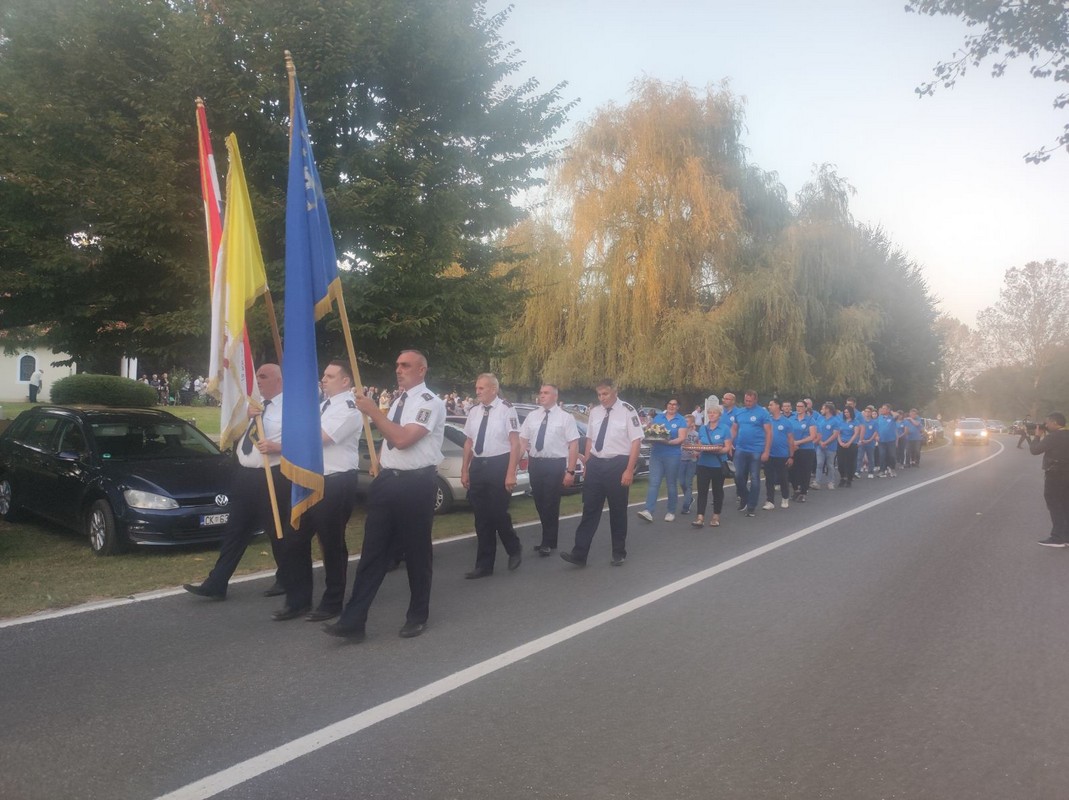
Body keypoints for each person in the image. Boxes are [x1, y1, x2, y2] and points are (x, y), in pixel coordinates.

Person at [325, 350, 446, 640]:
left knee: (417, 553)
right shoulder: (398, 400)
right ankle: (354, 620)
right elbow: (389, 438)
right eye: (397, 365)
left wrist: (373, 411)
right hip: (388, 483)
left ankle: (418, 614)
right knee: (372, 553)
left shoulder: (430, 403)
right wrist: (379, 461)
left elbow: (403, 439)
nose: (399, 369)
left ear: (422, 370)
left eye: (405, 365)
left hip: (416, 485)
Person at [184, 363, 290, 601]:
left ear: (279, 380)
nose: (258, 381)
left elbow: (304, 444)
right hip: (245, 476)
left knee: (276, 530)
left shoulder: (290, 408)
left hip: (271, 476)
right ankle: (217, 582)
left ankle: (287, 577)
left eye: (263, 377)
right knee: (235, 530)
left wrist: (277, 447)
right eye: (257, 376)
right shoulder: (255, 406)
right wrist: (247, 418)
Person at [274, 360, 362, 622]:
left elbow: (319, 438)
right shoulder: (323, 405)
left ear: (345, 381)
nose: (323, 379)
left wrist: (282, 442)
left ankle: (333, 601)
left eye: (330, 376)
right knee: (294, 540)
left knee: (331, 543)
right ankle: (298, 600)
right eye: (324, 375)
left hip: (335, 482)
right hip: (311, 479)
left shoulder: (349, 408)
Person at [560, 379, 643, 567]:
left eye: (605, 394)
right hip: (596, 464)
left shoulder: (628, 411)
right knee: (589, 509)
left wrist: (629, 470)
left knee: (618, 510)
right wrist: (588, 463)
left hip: (618, 463)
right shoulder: (596, 412)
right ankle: (579, 554)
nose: (602, 398)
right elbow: (590, 439)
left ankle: (618, 552)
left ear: (615, 391)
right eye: (599, 394)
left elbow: (636, 442)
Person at [460, 373, 523, 578]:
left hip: (499, 464)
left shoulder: (506, 409)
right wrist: (465, 470)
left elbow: (515, 442)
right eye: (476, 388)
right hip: (479, 465)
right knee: (481, 517)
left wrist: (510, 472)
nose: (477, 392)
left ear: (493, 389)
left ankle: (513, 548)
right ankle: (484, 565)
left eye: (481, 388)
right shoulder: (474, 411)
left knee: (498, 513)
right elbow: (469, 442)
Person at [519, 383, 579, 556]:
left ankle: (547, 541)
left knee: (550, 502)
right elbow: (523, 441)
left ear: (555, 396)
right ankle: (549, 539)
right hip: (536, 463)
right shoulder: (532, 416)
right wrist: (514, 462)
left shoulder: (565, 418)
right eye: (541, 392)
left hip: (555, 464)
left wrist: (570, 471)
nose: (542, 395)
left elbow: (573, 444)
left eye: (546, 393)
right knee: (539, 501)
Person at [638, 398, 688, 523]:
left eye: (675, 404)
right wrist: (649, 438)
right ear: (666, 405)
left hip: (672, 454)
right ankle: (648, 511)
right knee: (654, 483)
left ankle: (671, 511)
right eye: (670, 404)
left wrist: (669, 442)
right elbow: (652, 432)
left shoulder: (681, 420)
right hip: (657, 454)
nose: (672, 406)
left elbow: (681, 438)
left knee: (671, 484)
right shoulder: (658, 418)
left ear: (678, 407)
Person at [1026, 413, 1069, 547]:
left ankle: (1057, 537)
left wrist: (1037, 436)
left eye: (1047, 423)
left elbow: (1035, 450)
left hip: (1056, 474)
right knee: (1065, 504)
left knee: (1055, 504)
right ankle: (1066, 536)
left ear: (1055, 423)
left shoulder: (1054, 437)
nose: (1046, 425)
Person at [686, 405, 731, 527]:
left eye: (714, 413)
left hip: (717, 464)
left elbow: (727, 447)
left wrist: (718, 450)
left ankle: (716, 515)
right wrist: (697, 451)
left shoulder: (725, 428)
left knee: (717, 491)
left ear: (719, 415)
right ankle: (700, 517)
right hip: (703, 464)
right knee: (702, 491)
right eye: (709, 413)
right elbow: (700, 445)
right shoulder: (703, 429)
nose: (711, 415)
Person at [731, 390, 772, 517]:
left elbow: (769, 433)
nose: (747, 403)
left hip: (756, 449)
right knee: (737, 475)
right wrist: (729, 442)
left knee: (754, 477)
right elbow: (734, 428)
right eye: (746, 400)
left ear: (755, 400)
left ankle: (751, 506)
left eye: (749, 401)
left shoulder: (762, 413)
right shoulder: (740, 412)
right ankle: (745, 496)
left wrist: (766, 451)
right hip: (741, 448)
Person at [762, 399, 794, 509]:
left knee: (783, 478)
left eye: (771, 405)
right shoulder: (767, 421)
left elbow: (790, 439)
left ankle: (785, 498)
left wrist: (791, 456)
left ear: (777, 406)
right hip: (769, 454)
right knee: (769, 479)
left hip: (782, 455)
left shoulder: (786, 422)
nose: (769, 406)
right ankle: (770, 501)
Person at [788, 401, 818, 502]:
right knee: (792, 470)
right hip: (793, 449)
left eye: (801, 406)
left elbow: (812, 436)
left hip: (807, 449)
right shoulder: (791, 419)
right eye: (797, 406)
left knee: (805, 471)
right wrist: (792, 444)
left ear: (805, 408)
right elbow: (788, 433)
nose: (799, 408)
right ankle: (796, 489)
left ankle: (803, 492)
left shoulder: (810, 420)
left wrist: (799, 442)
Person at [815, 402, 841, 490]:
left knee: (830, 465)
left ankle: (830, 482)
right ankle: (817, 482)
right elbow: (816, 432)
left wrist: (825, 442)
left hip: (831, 447)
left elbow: (835, 434)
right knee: (819, 464)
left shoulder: (835, 420)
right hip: (820, 445)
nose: (821, 410)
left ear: (828, 410)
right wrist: (820, 442)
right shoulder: (820, 419)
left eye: (823, 408)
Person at [678, 415, 699, 515]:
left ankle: (686, 507)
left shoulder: (695, 434)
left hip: (691, 460)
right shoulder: (680, 432)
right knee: (682, 482)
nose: (685, 423)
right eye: (684, 421)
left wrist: (697, 452)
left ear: (692, 423)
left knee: (688, 483)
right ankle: (689, 498)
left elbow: (700, 447)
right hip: (681, 460)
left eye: (687, 421)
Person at [836, 406, 861, 487]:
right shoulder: (841, 421)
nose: (846, 414)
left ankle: (849, 479)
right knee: (840, 463)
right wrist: (840, 442)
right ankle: (843, 477)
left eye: (848, 412)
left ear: (851, 413)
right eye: (845, 412)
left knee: (850, 463)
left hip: (852, 444)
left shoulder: (855, 422)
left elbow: (856, 433)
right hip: (841, 443)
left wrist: (849, 443)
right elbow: (838, 433)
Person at [875, 404, 898, 478]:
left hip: (891, 440)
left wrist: (890, 411)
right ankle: (882, 471)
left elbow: (896, 414)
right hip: (881, 440)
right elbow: (876, 428)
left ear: (888, 410)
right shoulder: (879, 418)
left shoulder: (892, 418)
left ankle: (892, 469)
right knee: (882, 455)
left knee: (892, 455)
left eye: (884, 408)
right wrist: (876, 436)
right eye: (882, 408)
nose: (882, 410)